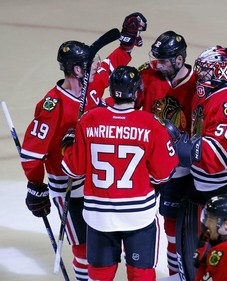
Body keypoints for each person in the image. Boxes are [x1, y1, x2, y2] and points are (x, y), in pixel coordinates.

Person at [20, 13, 147, 280]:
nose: (94, 65)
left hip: (93, 182)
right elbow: (32, 152)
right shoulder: (52, 106)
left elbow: (110, 65)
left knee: (100, 245)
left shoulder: (89, 86)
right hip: (67, 185)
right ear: (77, 69)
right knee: (83, 248)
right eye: (88, 63)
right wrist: (36, 185)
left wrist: (126, 45)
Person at [61, 66, 178, 281]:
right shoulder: (151, 124)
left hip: (99, 217)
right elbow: (164, 174)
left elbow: (73, 170)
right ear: (136, 92)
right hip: (138, 216)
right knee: (140, 275)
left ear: (112, 90)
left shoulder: (89, 119)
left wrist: (68, 147)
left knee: (99, 276)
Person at [164, 45, 227, 281]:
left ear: (222, 71)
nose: (200, 75)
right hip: (206, 183)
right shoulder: (206, 92)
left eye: (206, 71)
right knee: (203, 241)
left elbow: (220, 157)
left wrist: (183, 148)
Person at [136, 30, 197, 276]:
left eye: (163, 60)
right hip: (145, 162)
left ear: (179, 60)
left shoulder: (197, 84)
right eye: (157, 58)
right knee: (137, 219)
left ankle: (174, 274)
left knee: (171, 224)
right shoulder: (147, 75)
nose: (157, 64)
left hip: (179, 168)